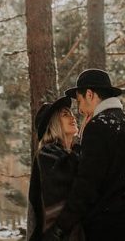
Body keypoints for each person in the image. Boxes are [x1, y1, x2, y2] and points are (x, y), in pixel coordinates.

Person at [43, 69, 125, 241]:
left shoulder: (98, 126)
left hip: (105, 227)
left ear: (90, 94)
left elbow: (87, 183)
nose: (80, 109)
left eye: (80, 101)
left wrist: (61, 226)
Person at [28, 96, 85, 241]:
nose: (73, 117)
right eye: (65, 115)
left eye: (71, 114)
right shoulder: (47, 153)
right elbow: (72, 181)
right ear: (53, 124)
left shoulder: (67, 153)